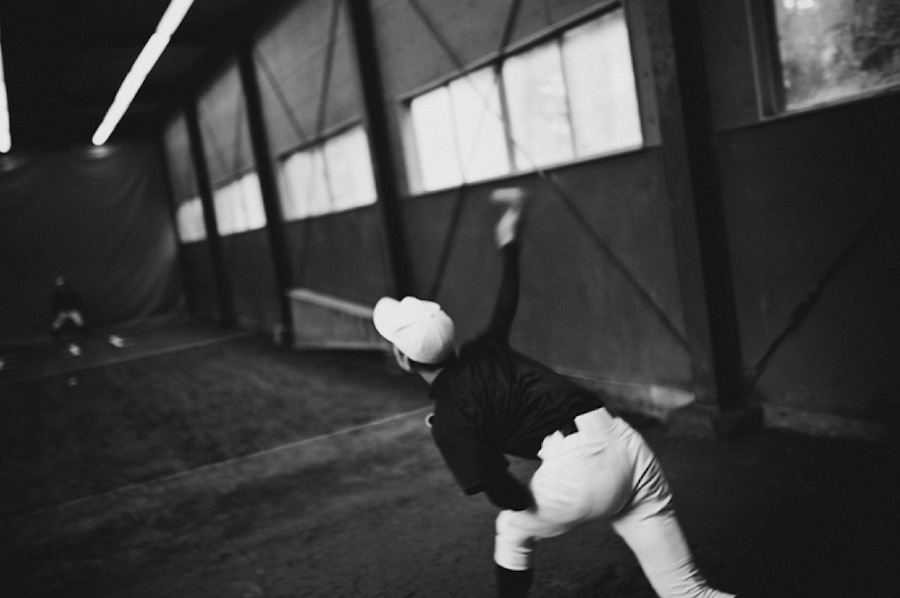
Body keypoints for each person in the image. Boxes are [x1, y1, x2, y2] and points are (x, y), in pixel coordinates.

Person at [372, 188, 735, 598]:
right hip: (629, 448)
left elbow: (506, 493)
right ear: (452, 344)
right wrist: (509, 238)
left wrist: (516, 477)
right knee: (688, 592)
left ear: (404, 359)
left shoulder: (450, 419)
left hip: (581, 472)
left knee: (511, 527)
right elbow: (507, 296)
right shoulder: (487, 348)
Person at [50, 276, 89, 354]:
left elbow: (77, 299)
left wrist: (77, 308)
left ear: (65, 284)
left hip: (72, 310)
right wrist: (58, 311)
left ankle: (85, 333)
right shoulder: (56, 294)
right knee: (56, 325)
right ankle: (55, 336)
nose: (62, 287)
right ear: (58, 285)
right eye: (60, 285)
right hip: (63, 312)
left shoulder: (70, 292)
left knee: (79, 322)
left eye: (63, 285)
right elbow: (54, 304)